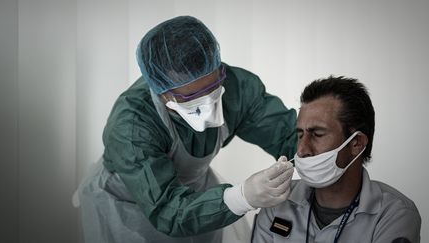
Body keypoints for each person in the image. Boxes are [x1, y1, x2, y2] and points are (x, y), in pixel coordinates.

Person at [77, 15, 296, 243]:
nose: (209, 103)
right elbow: (167, 210)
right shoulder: (132, 126)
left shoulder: (237, 88)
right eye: (190, 97)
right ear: (162, 92)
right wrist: (241, 198)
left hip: (195, 192)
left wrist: (318, 165)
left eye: (213, 86)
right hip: (130, 205)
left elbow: (289, 133)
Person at [252, 76, 421, 243]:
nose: (302, 150)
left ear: (356, 143)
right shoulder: (277, 205)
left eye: (317, 134)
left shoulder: (394, 213)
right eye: (300, 135)